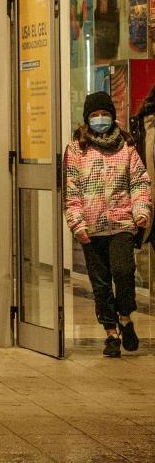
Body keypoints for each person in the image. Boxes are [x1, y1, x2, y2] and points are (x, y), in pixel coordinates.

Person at [64, 91, 151, 357]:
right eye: (94, 115)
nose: (99, 118)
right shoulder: (76, 149)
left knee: (124, 272)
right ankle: (111, 333)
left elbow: (139, 182)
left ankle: (125, 318)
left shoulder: (127, 147)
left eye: (104, 114)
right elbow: (71, 190)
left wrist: (141, 210)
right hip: (91, 228)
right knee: (100, 283)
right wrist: (77, 223)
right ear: (86, 118)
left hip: (122, 223)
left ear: (112, 116)